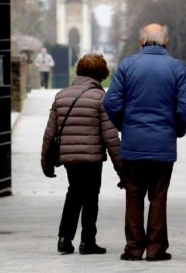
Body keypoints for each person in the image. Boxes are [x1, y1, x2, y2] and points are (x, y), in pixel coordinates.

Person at [104, 23, 186, 262]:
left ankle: (134, 248)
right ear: (166, 42)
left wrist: (125, 126)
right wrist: (176, 130)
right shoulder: (177, 67)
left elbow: (111, 103)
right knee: (158, 197)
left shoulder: (127, 66)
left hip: (133, 144)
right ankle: (156, 249)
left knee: (133, 195)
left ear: (141, 42)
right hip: (162, 144)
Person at [41, 54, 124, 255]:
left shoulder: (61, 96)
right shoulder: (101, 98)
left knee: (74, 193)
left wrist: (46, 162)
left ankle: (64, 238)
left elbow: (50, 132)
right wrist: (122, 169)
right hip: (92, 157)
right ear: (101, 74)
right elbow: (111, 137)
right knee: (91, 197)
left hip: (69, 157)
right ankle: (87, 241)